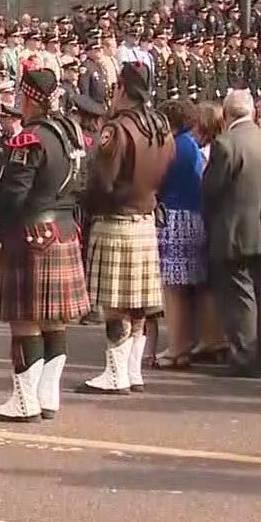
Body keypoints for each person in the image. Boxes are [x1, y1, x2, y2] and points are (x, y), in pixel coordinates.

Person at [0, 68, 90, 423]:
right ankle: (47, 397)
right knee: (54, 321)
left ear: (28, 98)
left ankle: (24, 401)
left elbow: (13, 194)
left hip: (31, 234)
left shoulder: (30, 139)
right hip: (65, 229)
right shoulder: (71, 132)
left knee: (25, 320)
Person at [81, 64, 174, 394]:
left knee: (116, 304)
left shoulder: (117, 129)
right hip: (146, 217)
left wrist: (85, 199)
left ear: (121, 88)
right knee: (138, 305)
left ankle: (115, 373)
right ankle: (133, 372)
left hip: (117, 218)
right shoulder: (160, 124)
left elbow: (104, 181)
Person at [201, 86, 261, 377]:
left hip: (234, 231)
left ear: (226, 113)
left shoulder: (226, 143)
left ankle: (245, 356)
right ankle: (256, 350)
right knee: (259, 292)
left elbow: (210, 188)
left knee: (240, 296)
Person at [154, 98, 208, 368]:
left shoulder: (174, 146)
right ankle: (185, 344)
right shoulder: (191, 144)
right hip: (193, 216)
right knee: (186, 289)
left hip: (174, 216)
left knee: (173, 290)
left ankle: (176, 348)